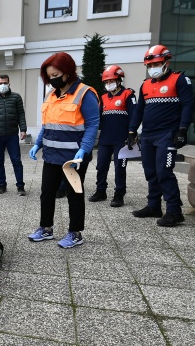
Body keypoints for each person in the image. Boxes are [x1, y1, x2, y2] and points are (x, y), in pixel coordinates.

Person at [28, 52, 99, 248]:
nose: (52, 79)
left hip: (73, 158)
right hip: (51, 155)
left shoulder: (85, 93)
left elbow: (93, 124)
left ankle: (75, 233)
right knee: (47, 193)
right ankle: (45, 228)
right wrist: (38, 144)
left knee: (74, 194)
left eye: (56, 74)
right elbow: (47, 124)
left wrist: (84, 149)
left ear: (67, 72)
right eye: (49, 76)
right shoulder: (51, 94)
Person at [128, 45, 194, 227]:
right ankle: (153, 206)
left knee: (164, 171)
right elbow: (139, 109)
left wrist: (182, 130)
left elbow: (188, 105)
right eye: (149, 65)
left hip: (168, 134)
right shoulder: (146, 85)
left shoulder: (180, 79)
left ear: (166, 61)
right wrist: (132, 131)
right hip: (148, 134)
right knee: (150, 171)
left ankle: (174, 211)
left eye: (156, 63)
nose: (152, 68)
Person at [88, 66, 137, 207]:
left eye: (112, 81)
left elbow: (134, 115)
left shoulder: (128, 94)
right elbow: (97, 117)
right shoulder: (103, 98)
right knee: (101, 166)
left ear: (119, 80)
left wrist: (132, 133)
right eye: (106, 81)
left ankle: (119, 194)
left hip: (121, 139)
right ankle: (100, 191)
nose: (109, 84)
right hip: (105, 139)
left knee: (120, 167)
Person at [0, 74, 28, 196]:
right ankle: (2, 185)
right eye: (1, 83)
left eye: (5, 83)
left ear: (9, 83)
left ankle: (20, 186)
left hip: (12, 135)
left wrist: (23, 129)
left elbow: (21, 114)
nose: (3, 85)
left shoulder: (16, 97)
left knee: (16, 161)